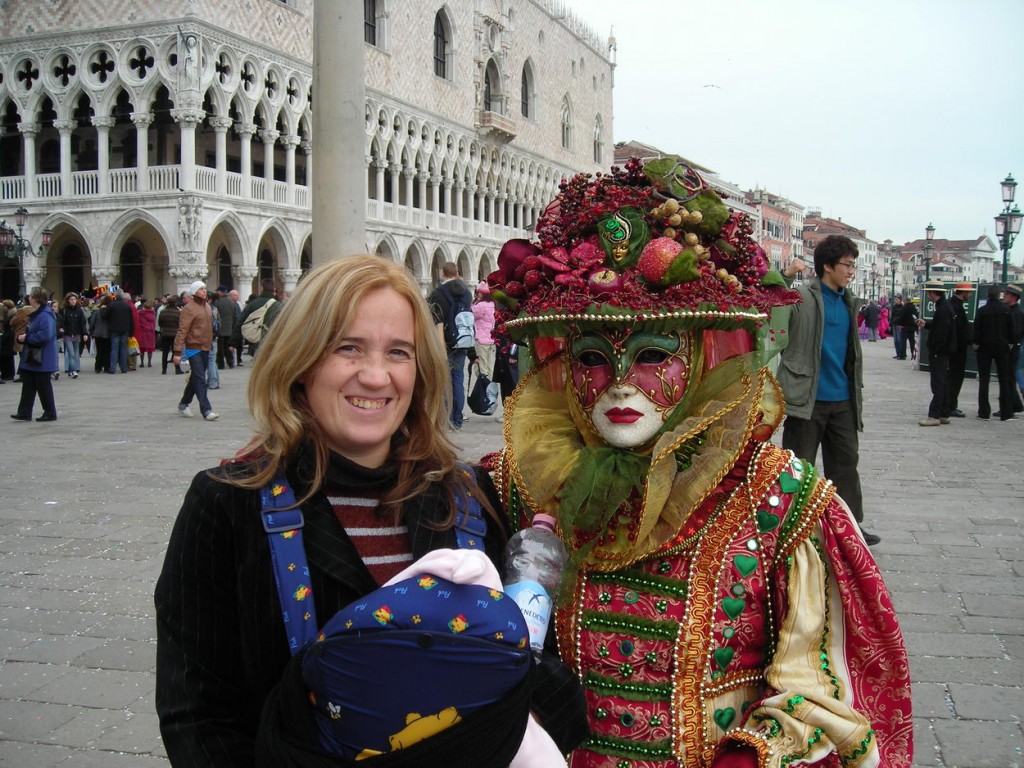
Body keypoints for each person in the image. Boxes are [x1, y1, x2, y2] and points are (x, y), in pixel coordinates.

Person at [485, 158, 912, 767]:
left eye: (654, 354)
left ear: (704, 353)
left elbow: (820, 685)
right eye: (592, 358)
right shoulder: (520, 485)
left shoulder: (776, 496)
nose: (621, 384)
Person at [155, 256, 585, 768]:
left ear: (420, 370)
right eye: (348, 348)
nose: (376, 376)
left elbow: (544, 675)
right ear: (302, 360)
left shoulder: (468, 496)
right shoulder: (229, 504)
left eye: (398, 352)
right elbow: (199, 715)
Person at [777, 235, 879, 545]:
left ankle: (850, 528)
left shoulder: (849, 301)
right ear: (827, 266)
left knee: (846, 466)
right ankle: (788, 528)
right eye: (847, 265)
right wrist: (784, 276)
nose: (851, 271)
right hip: (807, 398)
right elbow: (771, 310)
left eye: (853, 265)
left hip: (844, 400)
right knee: (798, 467)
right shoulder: (801, 298)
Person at [428, 261, 471, 430]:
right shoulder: (467, 293)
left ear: (442, 274)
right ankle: (457, 419)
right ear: (457, 273)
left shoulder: (437, 294)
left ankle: (445, 418)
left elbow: (434, 320)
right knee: (458, 379)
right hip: (462, 341)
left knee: (444, 381)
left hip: (444, 342)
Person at [10, 286, 59, 422]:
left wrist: (27, 338)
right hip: (34, 356)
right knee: (28, 385)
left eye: (31, 296)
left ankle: (50, 412)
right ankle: (24, 412)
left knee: (43, 386)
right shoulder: (39, 313)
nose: (29, 298)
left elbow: (46, 334)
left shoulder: (45, 315)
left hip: (42, 356)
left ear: (36, 299)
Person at [172, 281, 218, 421]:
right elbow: (182, 330)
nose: (204, 291)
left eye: (205, 288)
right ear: (194, 292)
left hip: (206, 346)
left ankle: (184, 403)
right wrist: (177, 352)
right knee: (200, 378)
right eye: (201, 289)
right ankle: (206, 410)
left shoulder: (208, 307)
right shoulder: (188, 309)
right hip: (193, 347)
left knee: (195, 378)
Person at [973, 285, 1016, 421]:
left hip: (985, 347)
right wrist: (1010, 343)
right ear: (999, 296)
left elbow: (976, 330)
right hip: (1002, 347)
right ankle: (1006, 412)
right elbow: (1012, 331)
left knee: (984, 380)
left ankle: (984, 412)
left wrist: (977, 343)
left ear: (988, 296)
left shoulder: (982, 311)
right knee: (1004, 379)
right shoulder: (1007, 311)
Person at [918, 279, 957, 426]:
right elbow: (940, 327)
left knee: (938, 383)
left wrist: (935, 348)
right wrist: (927, 325)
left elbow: (941, 332)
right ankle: (944, 412)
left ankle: (934, 415)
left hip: (939, 351)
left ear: (933, 293)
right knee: (943, 382)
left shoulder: (942, 309)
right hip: (945, 351)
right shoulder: (946, 307)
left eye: (928, 292)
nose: (928, 295)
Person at [945, 282, 974, 418]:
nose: (970, 295)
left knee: (952, 376)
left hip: (954, 347)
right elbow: (960, 329)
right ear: (963, 293)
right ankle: (951, 405)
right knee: (956, 377)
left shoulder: (952, 304)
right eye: (969, 292)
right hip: (958, 348)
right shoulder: (956, 306)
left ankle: (950, 404)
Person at [1002, 283, 1024, 415]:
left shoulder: (1015, 313)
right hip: (1014, 348)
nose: (1004, 296)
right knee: (1009, 377)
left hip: (1013, 349)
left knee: (1009, 377)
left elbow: (1016, 333)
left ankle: (1011, 405)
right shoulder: (1012, 311)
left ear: (1014, 297)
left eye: (1007, 294)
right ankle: (1015, 404)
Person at [102, 288, 134, 374]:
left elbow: (104, 316)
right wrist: (131, 332)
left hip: (114, 330)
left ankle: (112, 368)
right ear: (123, 295)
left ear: (115, 295)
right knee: (123, 349)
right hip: (125, 330)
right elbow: (131, 320)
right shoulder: (127, 306)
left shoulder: (112, 305)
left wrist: (103, 309)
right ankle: (124, 368)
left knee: (114, 349)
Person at [56, 293, 88, 379]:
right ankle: (73, 370)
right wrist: (61, 328)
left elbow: (82, 323)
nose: (73, 301)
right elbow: (61, 321)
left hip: (77, 334)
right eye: (71, 299)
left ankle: (70, 370)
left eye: (74, 299)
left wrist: (84, 334)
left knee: (76, 353)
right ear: (68, 300)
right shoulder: (64, 310)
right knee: (71, 353)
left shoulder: (79, 310)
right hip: (67, 334)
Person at [214, 285, 237, 369]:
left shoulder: (216, 302)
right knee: (228, 347)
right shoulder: (232, 302)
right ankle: (230, 362)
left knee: (220, 348)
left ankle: (220, 364)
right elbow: (235, 316)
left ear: (220, 292)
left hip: (220, 329)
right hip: (229, 328)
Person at [158, 297, 183, 374]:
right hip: (175, 334)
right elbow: (181, 323)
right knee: (176, 352)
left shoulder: (163, 312)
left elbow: (160, 323)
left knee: (165, 352)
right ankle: (177, 368)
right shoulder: (178, 313)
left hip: (165, 334)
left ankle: (164, 369)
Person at [89, 294, 112, 373]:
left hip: (98, 333)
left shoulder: (97, 311)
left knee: (99, 351)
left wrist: (91, 331)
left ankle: (98, 367)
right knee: (107, 351)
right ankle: (106, 367)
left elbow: (92, 322)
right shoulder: (111, 312)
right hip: (108, 334)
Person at [138, 300, 157, 368]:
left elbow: (138, 323)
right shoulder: (153, 314)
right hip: (151, 332)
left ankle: (142, 362)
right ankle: (149, 362)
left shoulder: (140, 313)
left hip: (142, 332)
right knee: (150, 349)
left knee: (142, 349)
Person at [0, 299, 15, 382]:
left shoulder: (8, 314)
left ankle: (7, 374)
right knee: (8, 357)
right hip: (9, 336)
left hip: (7, 336)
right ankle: (8, 374)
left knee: (6, 357)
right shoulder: (11, 313)